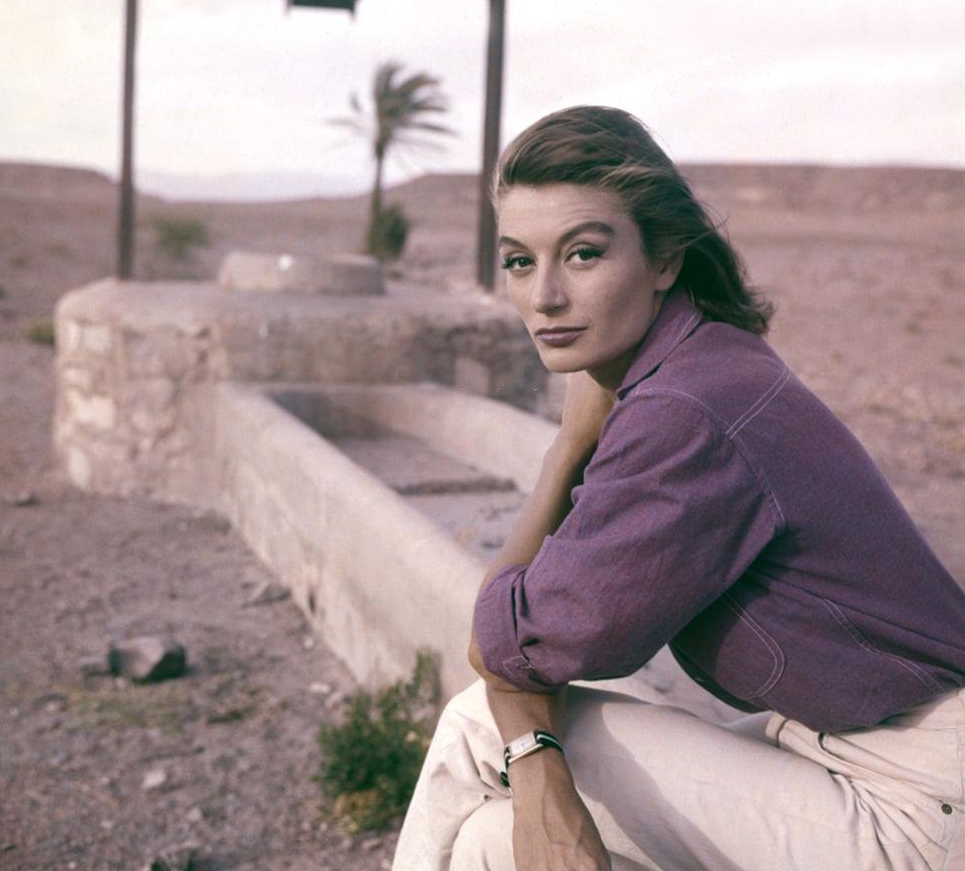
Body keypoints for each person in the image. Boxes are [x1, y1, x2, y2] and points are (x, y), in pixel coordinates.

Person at [391, 105, 965, 871]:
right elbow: (526, 644)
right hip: (853, 758)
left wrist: (568, 447)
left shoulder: (684, 413)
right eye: (520, 261)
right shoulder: (707, 362)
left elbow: (509, 648)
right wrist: (543, 795)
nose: (544, 296)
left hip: (915, 802)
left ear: (663, 260)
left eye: (583, 254)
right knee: (494, 844)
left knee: (475, 729)